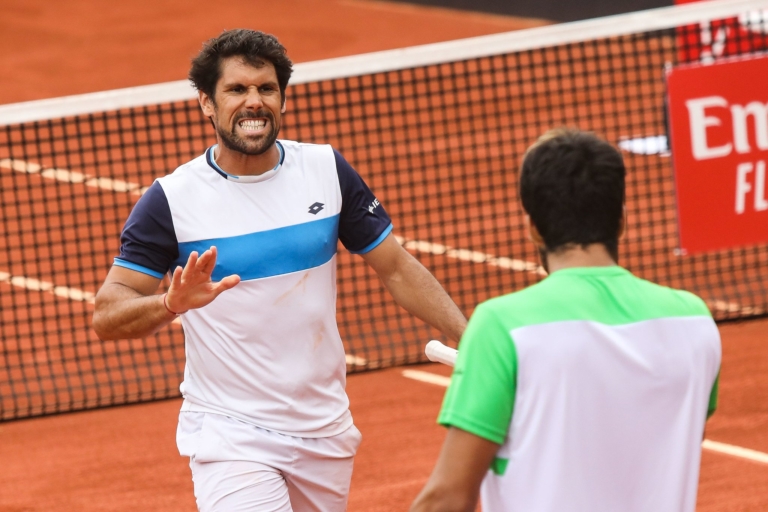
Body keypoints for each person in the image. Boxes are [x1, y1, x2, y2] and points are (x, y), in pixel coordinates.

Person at [92, 29, 467, 512]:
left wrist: (469, 335)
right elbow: (108, 313)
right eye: (237, 90)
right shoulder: (170, 199)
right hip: (230, 432)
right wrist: (170, 303)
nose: (254, 102)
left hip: (324, 427)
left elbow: (395, 266)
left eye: (266, 89)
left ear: (282, 98)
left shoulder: (326, 169)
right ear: (206, 103)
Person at [410, 129, 721, 512]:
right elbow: (672, 437)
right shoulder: (694, 322)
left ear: (534, 229)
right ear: (621, 220)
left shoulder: (501, 326)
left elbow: (446, 498)